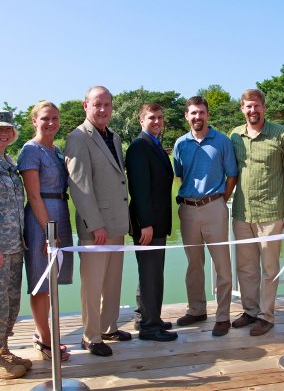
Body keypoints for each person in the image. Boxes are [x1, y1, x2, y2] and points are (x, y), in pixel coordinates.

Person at [64, 86, 131, 357]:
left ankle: (108, 327)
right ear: (85, 106)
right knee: (92, 285)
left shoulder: (113, 137)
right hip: (97, 229)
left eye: (107, 104)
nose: (102, 109)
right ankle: (91, 336)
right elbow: (79, 186)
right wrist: (95, 224)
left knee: (113, 281)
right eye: (97, 104)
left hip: (117, 224)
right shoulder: (78, 138)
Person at [230, 89, 284, 336]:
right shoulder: (235, 135)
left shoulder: (282, 134)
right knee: (246, 268)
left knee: (270, 269)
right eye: (248, 107)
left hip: (271, 212)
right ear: (242, 109)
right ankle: (250, 311)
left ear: (264, 107)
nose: (252, 111)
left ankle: (266, 316)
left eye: (256, 106)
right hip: (242, 212)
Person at [173, 96, 237, 337]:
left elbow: (232, 174)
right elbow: (180, 174)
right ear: (186, 116)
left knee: (222, 265)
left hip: (214, 206)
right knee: (193, 264)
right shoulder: (180, 144)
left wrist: (221, 200)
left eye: (201, 112)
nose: (197, 117)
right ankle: (197, 309)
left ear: (207, 115)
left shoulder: (222, 141)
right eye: (193, 113)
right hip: (188, 209)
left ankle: (223, 316)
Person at [18, 102, 73, 361]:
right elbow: (34, 195)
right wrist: (50, 232)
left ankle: (46, 334)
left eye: (55, 118)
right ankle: (45, 340)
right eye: (45, 118)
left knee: (52, 282)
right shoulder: (30, 150)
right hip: (42, 219)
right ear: (34, 121)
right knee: (40, 283)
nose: (50, 123)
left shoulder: (57, 150)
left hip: (60, 211)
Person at [126, 103, 177, 342]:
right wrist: (145, 223)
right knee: (150, 274)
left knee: (151, 273)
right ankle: (149, 327)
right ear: (141, 121)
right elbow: (139, 188)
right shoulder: (139, 147)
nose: (157, 121)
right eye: (151, 118)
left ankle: (145, 316)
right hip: (147, 224)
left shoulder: (154, 145)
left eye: (160, 117)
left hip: (157, 221)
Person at [0, 111, 31, 379]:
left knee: (10, 302)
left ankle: (3, 349)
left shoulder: (8, 161)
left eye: (7, 129)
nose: (3, 133)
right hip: (0, 247)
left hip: (14, 245)